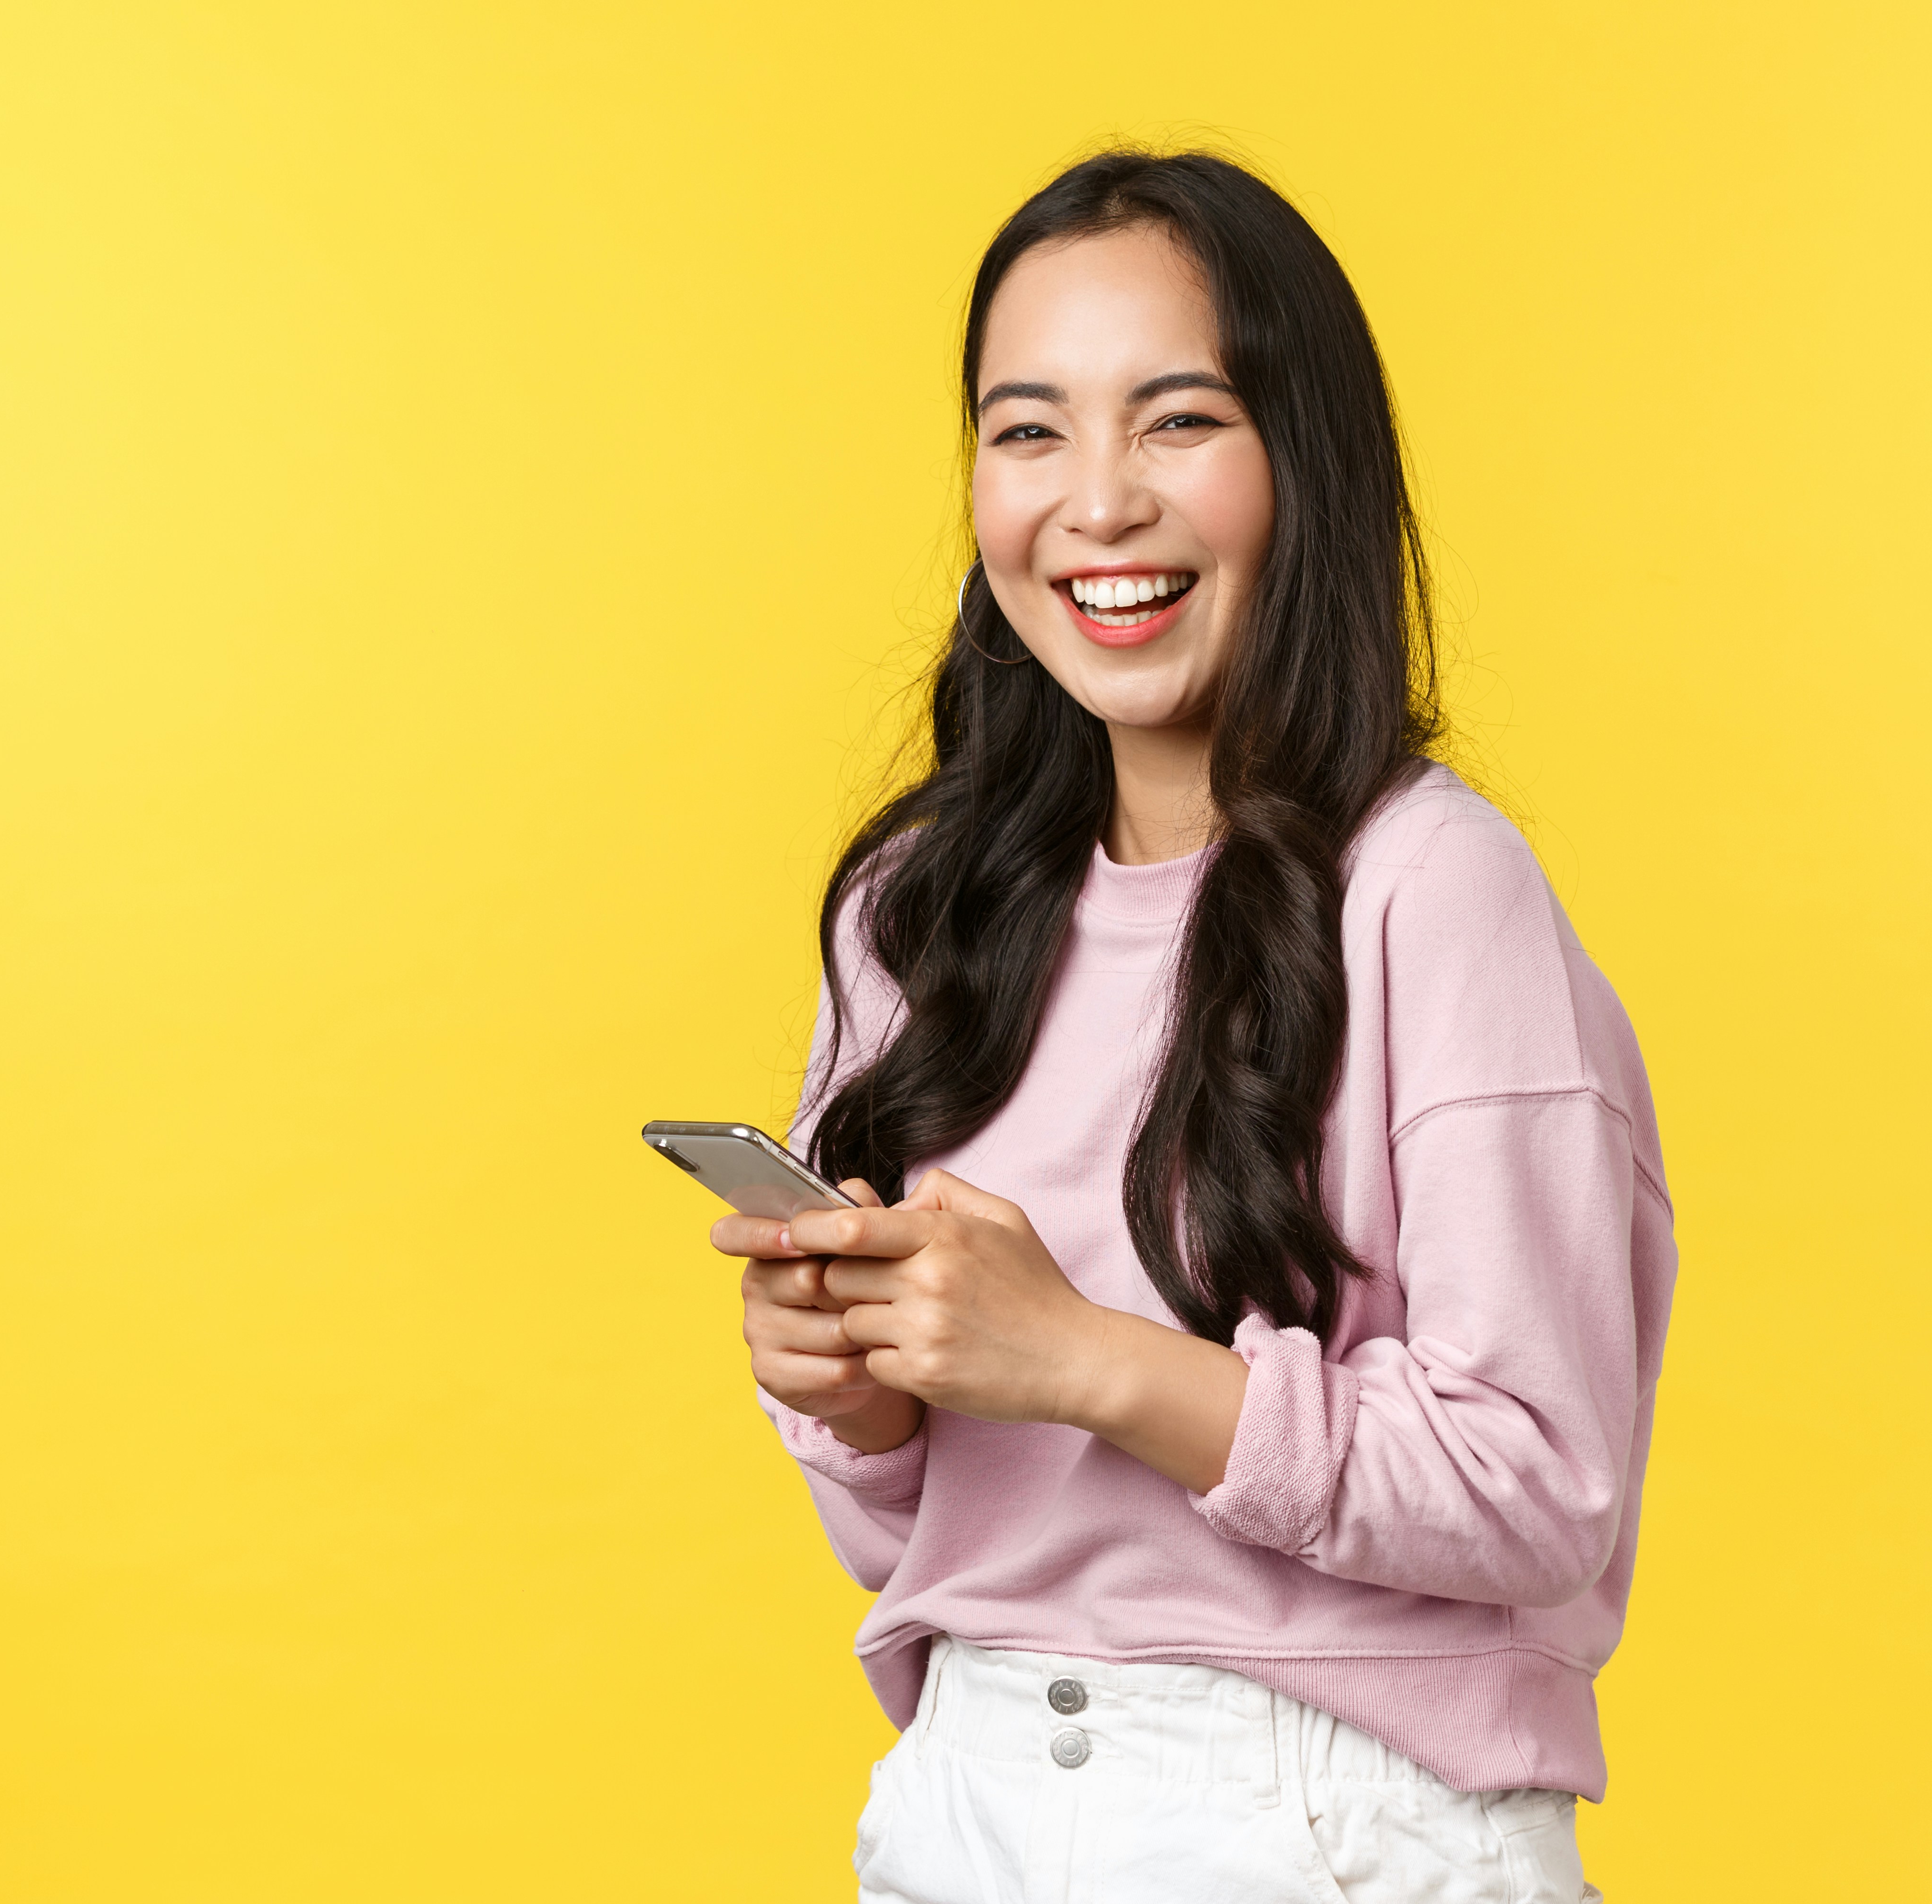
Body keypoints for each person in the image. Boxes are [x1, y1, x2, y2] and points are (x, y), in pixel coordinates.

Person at [713, 149, 1674, 1904]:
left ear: (1304, 461)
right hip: (971, 1797)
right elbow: (911, 1539)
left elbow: (1539, 1488)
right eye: (1028, 431)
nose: (1098, 504)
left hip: (1332, 1817)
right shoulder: (918, 910)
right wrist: (858, 1398)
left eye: (1178, 421)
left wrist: (1085, 1359)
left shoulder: (1432, 888)